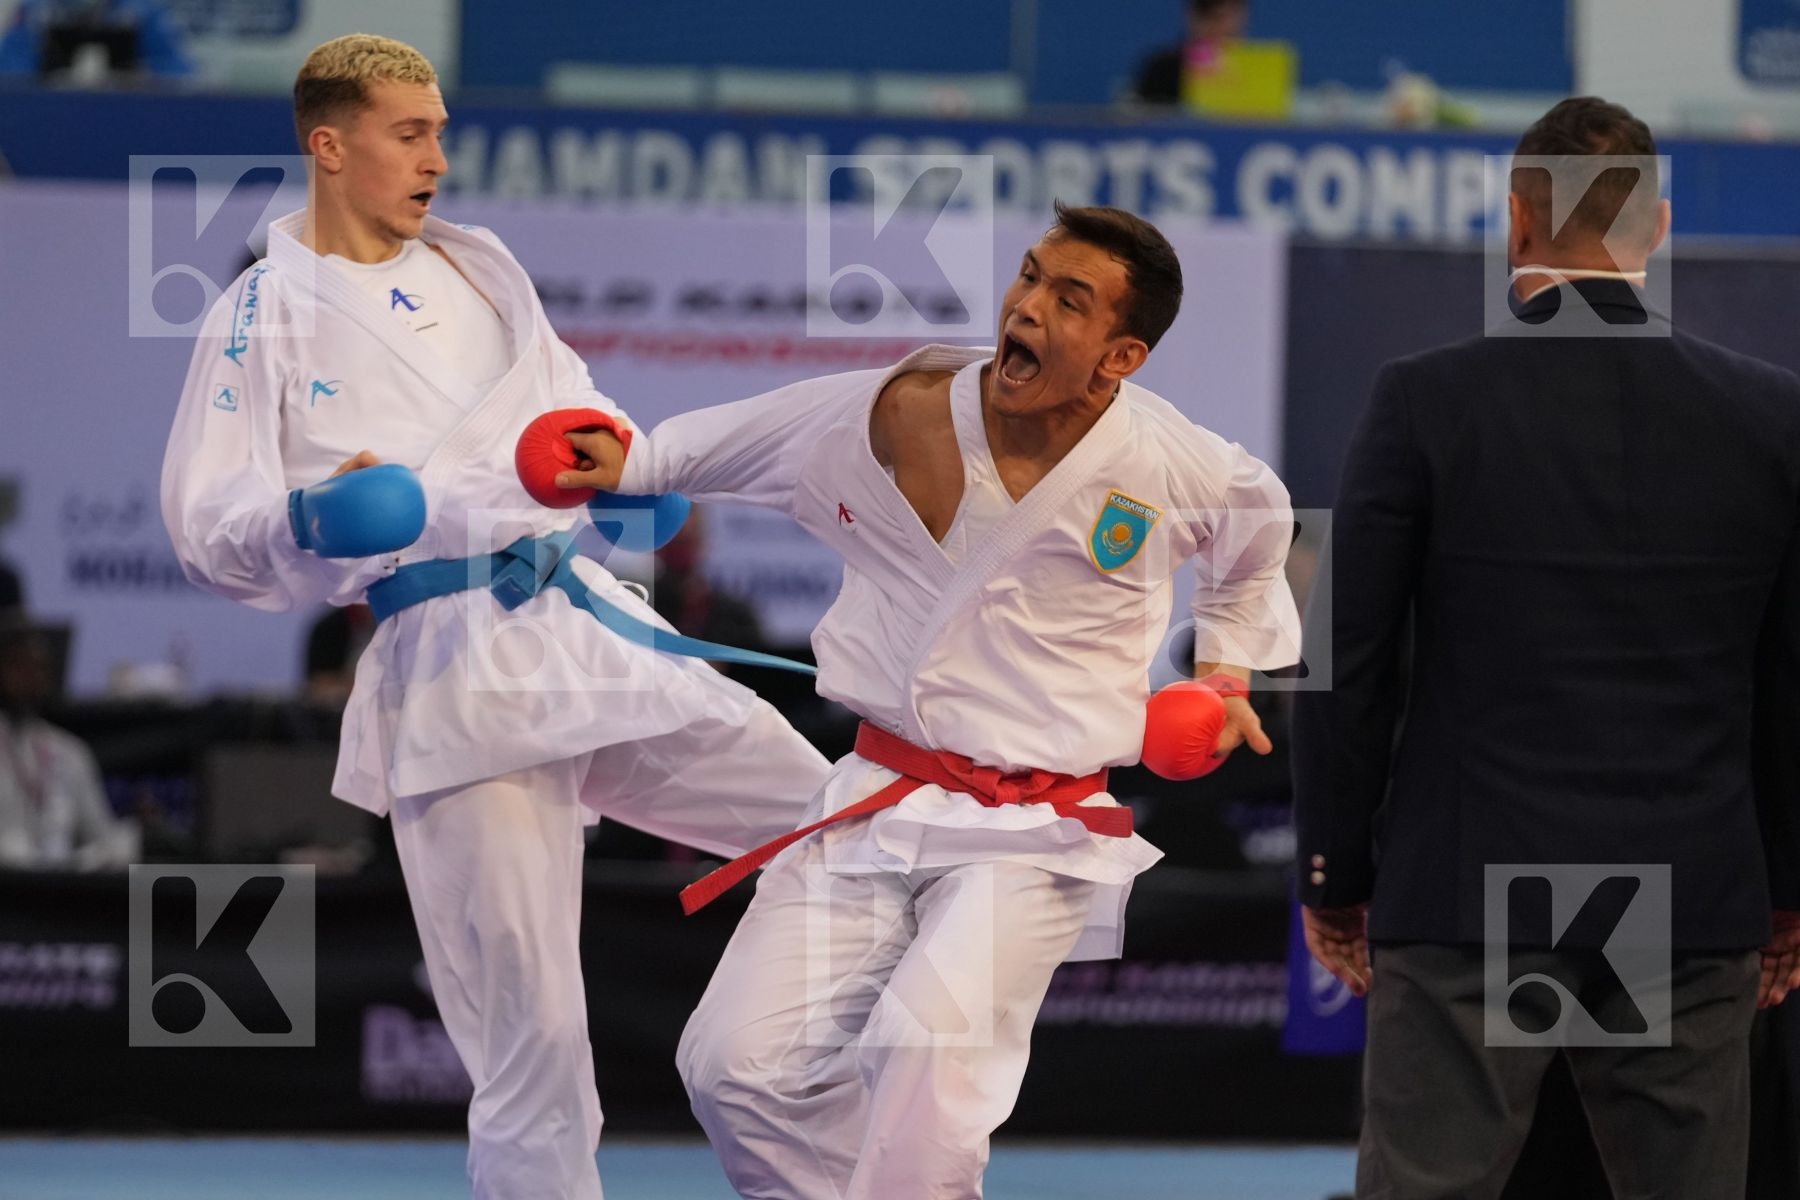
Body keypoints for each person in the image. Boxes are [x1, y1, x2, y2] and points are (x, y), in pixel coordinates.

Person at [159, 35, 830, 1200]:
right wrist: (310, 518)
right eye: (410, 134)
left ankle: (801, 1114)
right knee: (534, 1040)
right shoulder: (261, 310)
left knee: (837, 830)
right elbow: (208, 521)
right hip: (453, 664)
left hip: (582, 626)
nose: (437, 158)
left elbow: (575, 409)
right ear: (331, 146)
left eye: (441, 132)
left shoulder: (482, 268)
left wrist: (629, 471)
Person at [554, 202, 1301, 1198]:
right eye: (1029, 276)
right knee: (734, 1067)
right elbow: (748, 437)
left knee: (926, 1051)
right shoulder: (904, 409)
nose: (1026, 306)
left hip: (1035, 827)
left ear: (1120, 357)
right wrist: (639, 462)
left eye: (1068, 299)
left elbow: (1259, 535)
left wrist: (1227, 672)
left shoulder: (1174, 463)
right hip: (879, 795)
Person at [1291, 96, 1800, 1200]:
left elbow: (1346, 659)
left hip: (1469, 891)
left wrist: (1333, 871)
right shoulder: (1771, 416)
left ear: (1518, 220)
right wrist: (1790, 892)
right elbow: (1791, 682)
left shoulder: (1423, 401)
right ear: (1655, 228)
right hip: (1688, 893)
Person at [0, 621, 137, 870]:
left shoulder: (69, 751)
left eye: (38, 668)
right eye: (18, 665)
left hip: (60, 882)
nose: (29, 677)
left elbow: (102, 837)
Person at [1131, 0, 1250, 104]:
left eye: (1225, 16)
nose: (1219, 26)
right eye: (1207, 13)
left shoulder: (1254, 72)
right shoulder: (1162, 71)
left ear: (1243, 15)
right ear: (1191, 15)